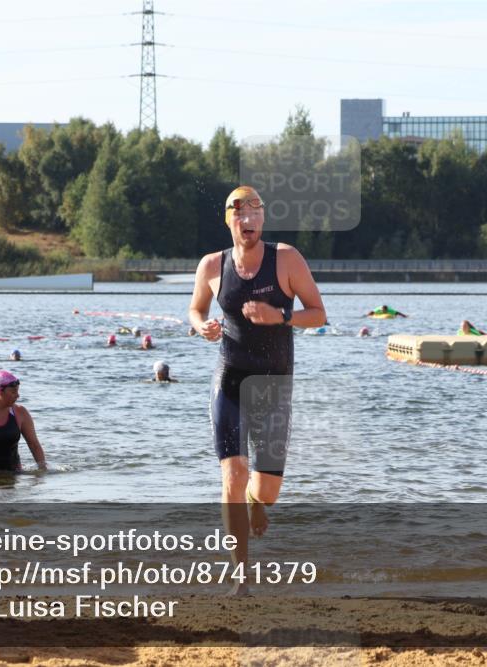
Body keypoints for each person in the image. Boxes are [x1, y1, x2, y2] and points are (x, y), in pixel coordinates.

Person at [188, 185, 326, 595]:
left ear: (262, 218)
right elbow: (196, 308)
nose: (246, 218)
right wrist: (202, 326)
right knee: (232, 473)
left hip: (274, 383)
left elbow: (318, 314)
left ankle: (255, 501)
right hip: (230, 378)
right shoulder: (211, 265)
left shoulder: (286, 259)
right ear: (228, 220)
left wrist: (280, 315)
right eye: (238, 211)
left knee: (267, 490)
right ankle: (241, 576)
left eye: (254, 211)